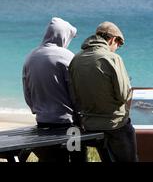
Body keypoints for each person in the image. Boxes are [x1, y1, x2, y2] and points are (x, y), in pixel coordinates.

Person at [68, 22, 138, 162]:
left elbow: (74, 95)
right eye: (119, 44)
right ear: (112, 39)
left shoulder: (76, 59)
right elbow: (124, 95)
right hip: (114, 124)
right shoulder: (113, 58)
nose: (117, 48)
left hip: (88, 124)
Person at [22, 17, 85, 162]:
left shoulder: (30, 56)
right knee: (77, 158)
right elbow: (75, 92)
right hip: (70, 126)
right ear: (63, 36)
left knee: (51, 159)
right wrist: (81, 114)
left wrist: (35, 109)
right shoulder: (67, 57)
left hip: (43, 122)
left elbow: (27, 91)